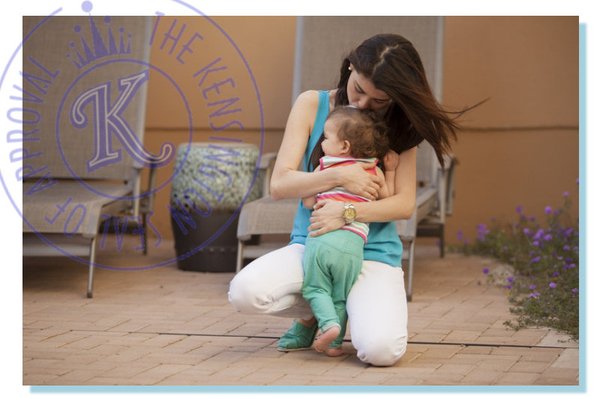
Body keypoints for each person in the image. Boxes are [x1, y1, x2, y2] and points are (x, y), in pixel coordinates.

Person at [229, 33, 463, 366]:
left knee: (381, 351)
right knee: (244, 292)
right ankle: (317, 311)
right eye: (359, 90)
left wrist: (348, 212)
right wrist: (339, 176)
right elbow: (280, 184)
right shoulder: (312, 104)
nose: (364, 105)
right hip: (314, 245)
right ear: (350, 67)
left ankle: (350, 307)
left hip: (374, 255)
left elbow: (403, 205)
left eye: (379, 101)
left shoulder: (399, 124)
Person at [301, 106, 394, 357]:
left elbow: (308, 202)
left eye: (326, 138)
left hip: (321, 239)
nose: (322, 143)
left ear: (343, 147)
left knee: (316, 289)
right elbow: (386, 199)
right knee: (340, 297)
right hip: (353, 246)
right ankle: (334, 345)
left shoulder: (325, 166)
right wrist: (391, 170)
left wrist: (315, 185)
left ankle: (327, 324)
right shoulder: (373, 170)